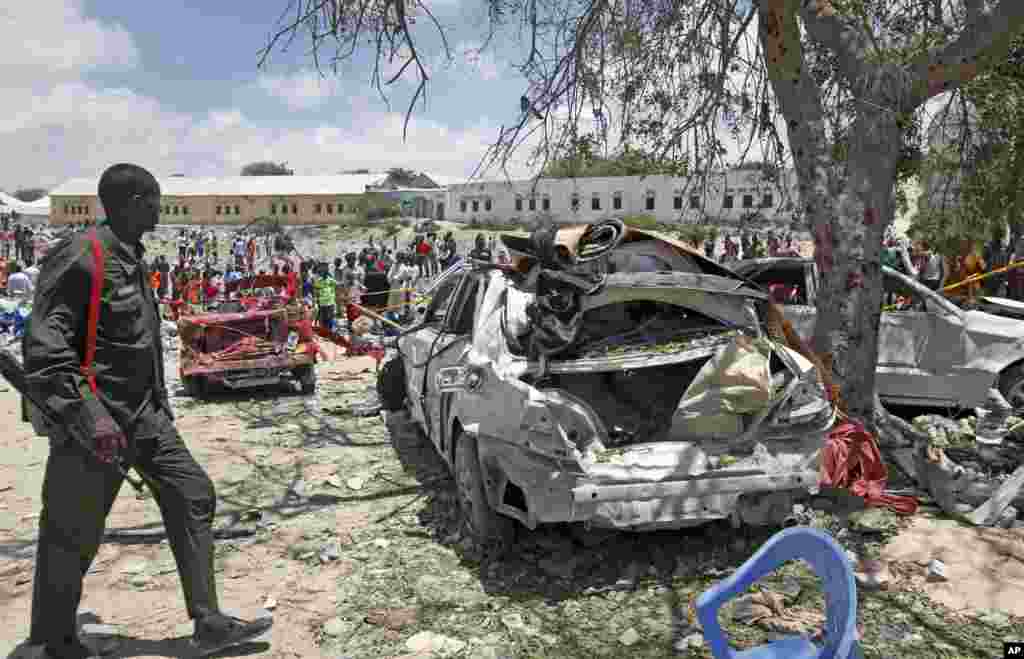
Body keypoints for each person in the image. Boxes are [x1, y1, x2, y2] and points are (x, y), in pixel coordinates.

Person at [22, 164, 272, 659]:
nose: (161, 208)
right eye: (156, 199)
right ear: (134, 201)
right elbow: (46, 349)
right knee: (70, 533)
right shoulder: (82, 257)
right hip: (94, 425)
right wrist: (90, 415)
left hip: (146, 418)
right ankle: (51, 641)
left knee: (192, 494)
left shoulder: (131, 256)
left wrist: (158, 405)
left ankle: (208, 622)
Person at [313, 262, 337, 331]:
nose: (322, 272)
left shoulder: (331, 280)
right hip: (322, 304)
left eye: (325, 270)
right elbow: (316, 292)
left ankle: (329, 332)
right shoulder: (318, 281)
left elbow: (337, 288)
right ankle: (324, 333)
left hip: (330, 303)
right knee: (323, 321)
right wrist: (315, 301)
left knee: (330, 320)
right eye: (321, 270)